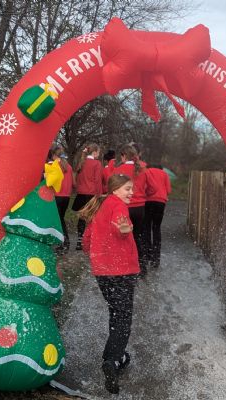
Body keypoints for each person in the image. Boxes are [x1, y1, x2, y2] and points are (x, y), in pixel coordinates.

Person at [79, 174, 139, 394]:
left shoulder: (99, 207)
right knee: (123, 317)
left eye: (131, 189)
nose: (131, 192)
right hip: (121, 272)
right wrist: (123, 230)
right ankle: (112, 360)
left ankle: (114, 355)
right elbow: (120, 226)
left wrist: (100, 253)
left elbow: (86, 242)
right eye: (127, 189)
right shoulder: (118, 205)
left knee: (115, 312)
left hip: (103, 273)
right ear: (115, 190)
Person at [113, 144, 154, 276]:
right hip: (140, 208)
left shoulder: (118, 170)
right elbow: (153, 188)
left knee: (122, 238)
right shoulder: (143, 169)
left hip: (124, 208)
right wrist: (143, 195)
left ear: (124, 156)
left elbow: (111, 188)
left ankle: (124, 268)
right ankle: (141, 268)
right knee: (138, 238)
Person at [71, 143, 102, 250]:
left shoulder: (82, 162)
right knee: (91, 219)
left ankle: (79, 241)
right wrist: (99, 195)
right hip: (91, 194)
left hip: (81, 194)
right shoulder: (97, 163)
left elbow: (76, 178)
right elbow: (97, 180)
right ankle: (90, 241)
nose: (99, 154)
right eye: (98, 152)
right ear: (95, 152)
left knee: (82, 218)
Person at [143, 164, 171, 268]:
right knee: (156, 228)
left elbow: (144, 187)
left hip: (148, 201)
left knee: (146, 228)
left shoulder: (146, 172)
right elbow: (168, 190)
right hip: (160, 202)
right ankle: (156, 259)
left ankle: (147, 255)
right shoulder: (164, 174)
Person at [51, 145, 74, 253]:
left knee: (58, 221)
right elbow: (72, 182)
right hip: (66, 197)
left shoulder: (55, 165)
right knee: (61, 219)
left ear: (54, 155)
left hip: (57, 196)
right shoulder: (69, 167)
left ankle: (64, 242)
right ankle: (65, 242)